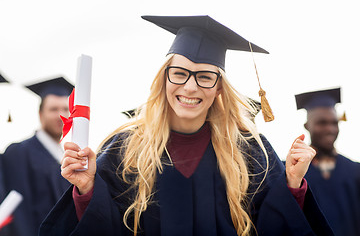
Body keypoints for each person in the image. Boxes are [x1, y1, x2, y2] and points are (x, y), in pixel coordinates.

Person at [40, 15, 333, 236]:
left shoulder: (251, 151)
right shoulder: (125, 148)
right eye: (179, 73)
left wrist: (292, 183)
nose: (190, 87)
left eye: (205, 76)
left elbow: (270, 224)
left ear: (219, 88)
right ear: (164, 78)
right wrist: (88, 188)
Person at [1, 76, 73, 236]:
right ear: (40, 114)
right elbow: (19, 214)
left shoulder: (67, 156)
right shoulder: (19, 152)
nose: (60, 115)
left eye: (65, 109)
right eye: (53, 109)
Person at [296, 87, 360, 236]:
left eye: (334, 123)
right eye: (322, 123)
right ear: (307, 126)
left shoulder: (355, 171)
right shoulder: (292, 173)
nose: (330, 129)